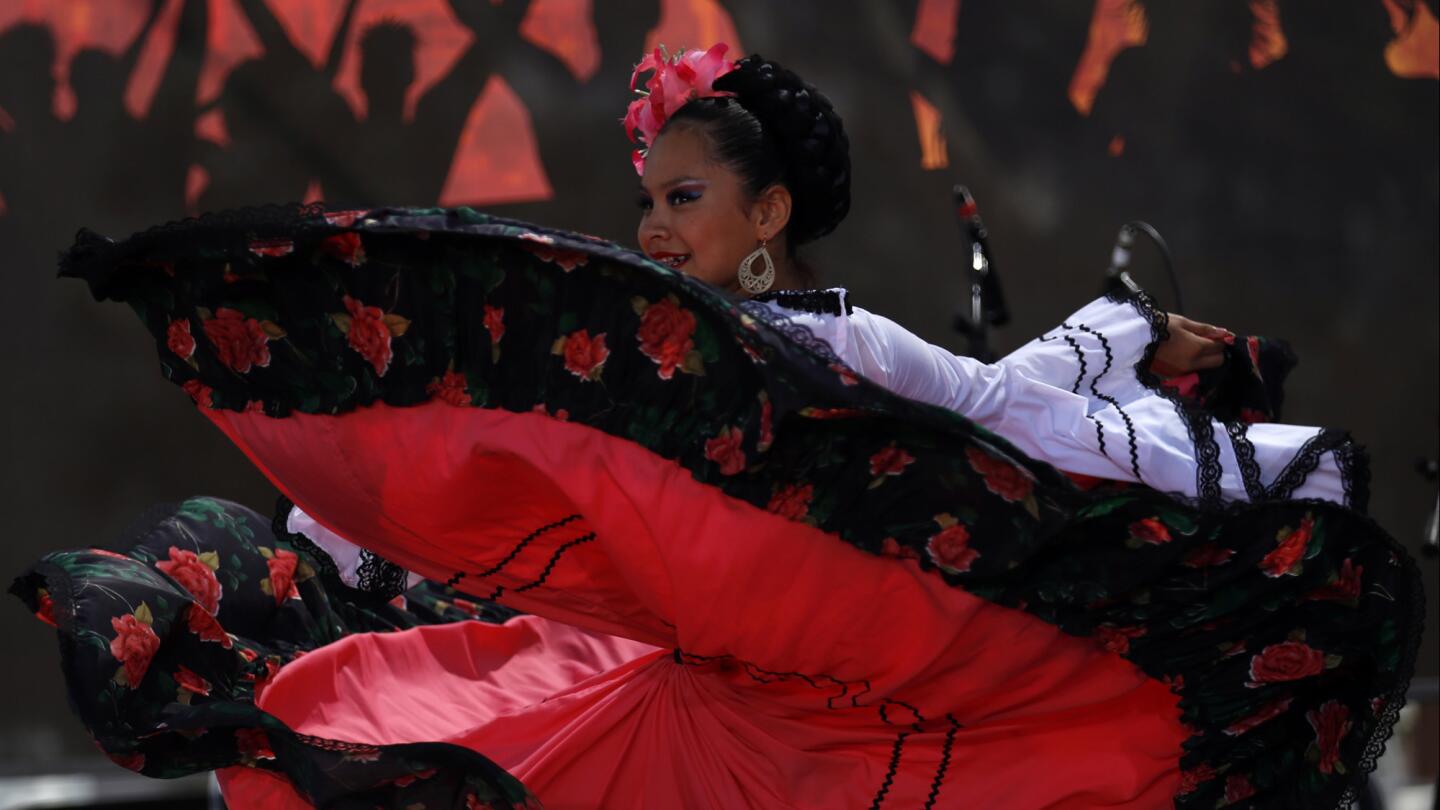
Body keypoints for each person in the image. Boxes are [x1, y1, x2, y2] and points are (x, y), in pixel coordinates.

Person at [17, 47, 1419, 809]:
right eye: (651, 199)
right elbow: (520, 441)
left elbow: (1004, 410)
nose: (651, 223)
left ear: (768, 215)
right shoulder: (656, 350)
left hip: (813, 722)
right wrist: (342, 516)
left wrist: (1138, 339)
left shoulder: (844, 345)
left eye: (684, 199)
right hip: (681, 707)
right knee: (366, 715)